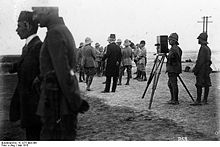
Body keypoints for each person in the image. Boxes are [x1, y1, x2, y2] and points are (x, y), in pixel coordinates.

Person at [32, 6, 82, 140]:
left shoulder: (55, 32)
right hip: (60, 102)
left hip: (57, 103)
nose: (34, 17)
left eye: (37, 13)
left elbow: (62, 72)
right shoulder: (61, 30)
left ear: (48, 11)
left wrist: (72, 102)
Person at [9, 11, 42, 140]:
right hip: (30, 111)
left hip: (35, 111)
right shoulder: (30, 47)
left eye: (19, 26)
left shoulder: (38, 47)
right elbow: (22, 66)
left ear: (27, 25)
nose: (17, 30)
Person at [191, 32, 212, 106]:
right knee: (206, 84)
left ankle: (198, 100)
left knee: (199, 85)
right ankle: (205, 100)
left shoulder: (203, 48)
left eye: (199, 39)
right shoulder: (208, 48)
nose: (198, 40)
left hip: (202, 69)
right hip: (206, 69)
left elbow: (200, 61)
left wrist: (196, 70)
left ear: (201, 39)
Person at [166, 33, 182, 105]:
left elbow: (175, 58)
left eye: (170, 40)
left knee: (173, 84)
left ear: (174, 41)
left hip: (173, 69)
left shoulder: (175, 48)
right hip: (173, 68)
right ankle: (173, 99)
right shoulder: (174, 48)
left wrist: (169, 56)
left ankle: (175, 100)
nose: (169, 41)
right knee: (170, 84)